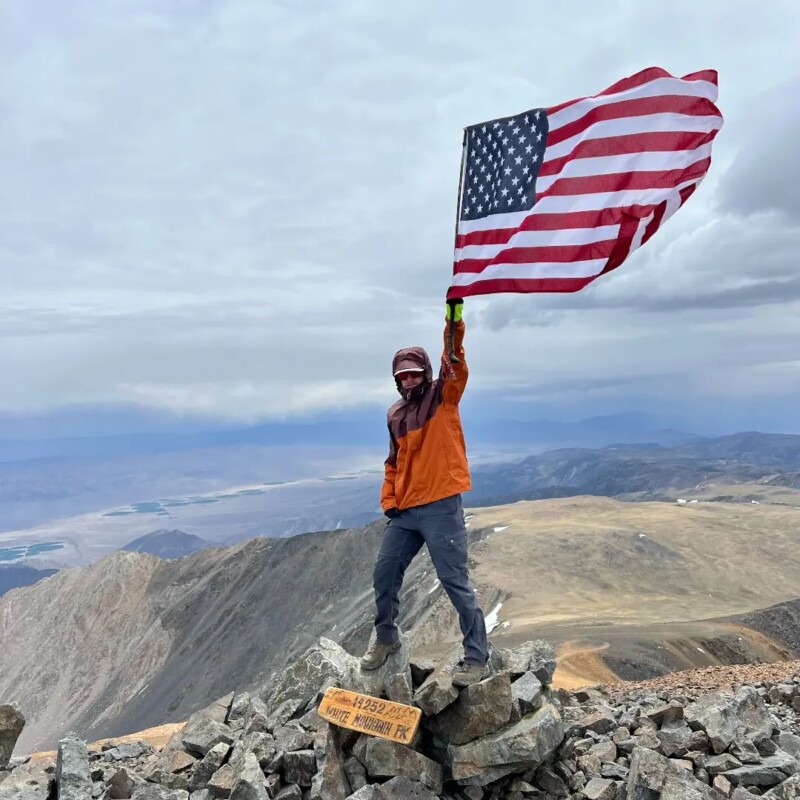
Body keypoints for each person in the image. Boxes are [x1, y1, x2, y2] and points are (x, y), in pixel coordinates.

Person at [360, 298, 490, 687]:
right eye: (403, 376)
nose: (409, 380)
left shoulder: (444, 396)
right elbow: (393, 461)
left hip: (440, 505)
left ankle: (477, 656)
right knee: (385, 575)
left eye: (415, 374)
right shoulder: (394, 414)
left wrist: (454, 318)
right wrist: (390, 501)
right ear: (396, 379)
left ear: (426, 373)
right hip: (406, 511)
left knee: (455, 582)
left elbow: (454, 357)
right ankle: (386, 638)